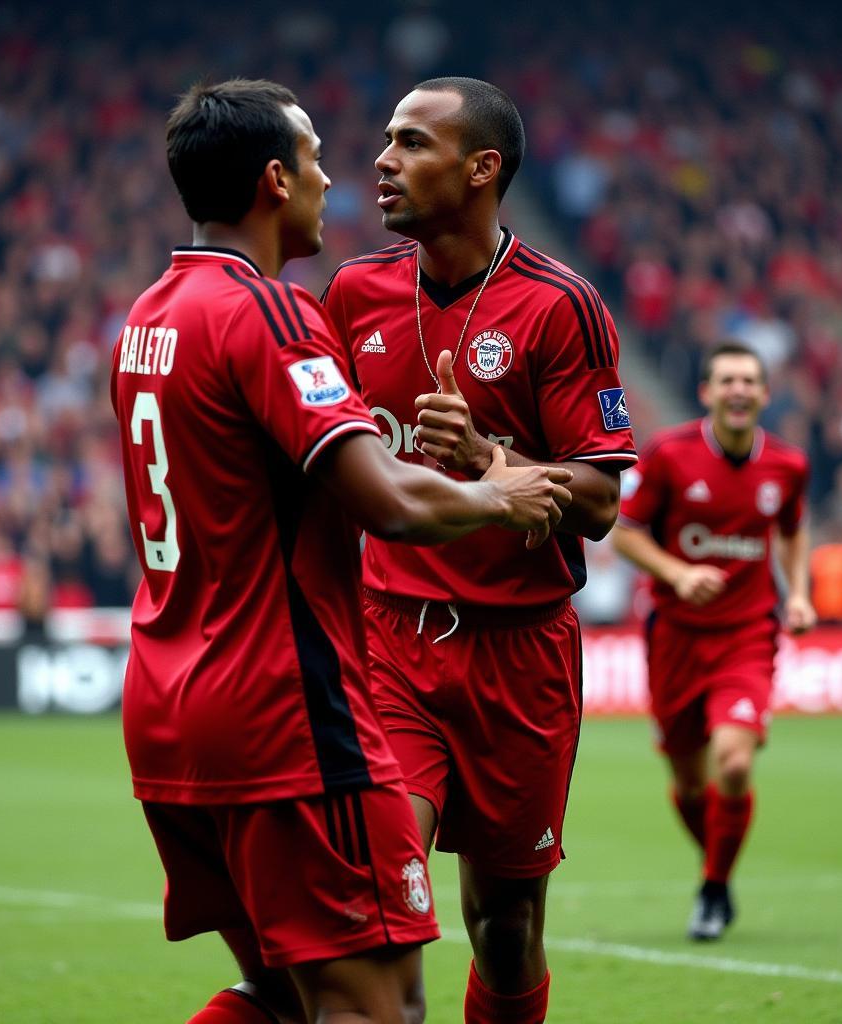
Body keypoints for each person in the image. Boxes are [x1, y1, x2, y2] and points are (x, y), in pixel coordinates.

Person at [111, 79, 571, 1024]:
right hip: (282, 716)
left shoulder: (147, 319)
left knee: (279, 994)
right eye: (320, 158)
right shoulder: (270, 311)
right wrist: (497, 488)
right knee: (380, 1007)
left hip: (167, 704)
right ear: (276, 180)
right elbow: (387, 502)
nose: (344, 175)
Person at [321, 78, 638, 1024]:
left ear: (481, 168)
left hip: (520, 652)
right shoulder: (352, 294)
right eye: (387, 140)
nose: (382, 160)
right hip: (390, 641)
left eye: (412, 143)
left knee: (504, 926)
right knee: (379, 889)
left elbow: (600, 499)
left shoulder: (560, 307)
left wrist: (491, 462)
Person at [612, 341, 816, 941]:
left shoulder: (787, 466)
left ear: (764, 395)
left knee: (732, 761)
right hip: (674, 637)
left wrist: (798, 593)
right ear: (706, 392)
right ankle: (718, 869)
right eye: (727, 379)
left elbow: (793, 532)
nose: (739, 390)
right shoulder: (669, 455)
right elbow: (624, 534)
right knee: (689, 783)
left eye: (749, 381)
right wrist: (676, 573)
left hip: (747, 634)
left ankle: (713, 887)